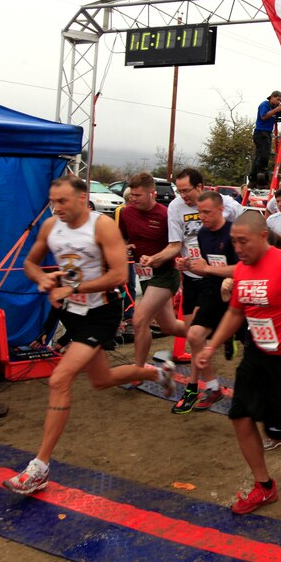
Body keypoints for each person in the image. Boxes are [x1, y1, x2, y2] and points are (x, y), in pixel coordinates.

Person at [3, 177, 174, 495]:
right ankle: (158, 370)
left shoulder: (102, 226)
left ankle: (39, 468)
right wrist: (42, 278)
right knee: (102, 379)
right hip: (72, 312)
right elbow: (29, 262)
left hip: (101, 313)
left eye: (63, 201)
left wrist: (74, 287)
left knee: (59, 379)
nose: (57, 207)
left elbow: (119, 275)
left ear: (82, 199)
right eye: (53, 201)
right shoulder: (50, 227)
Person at [193, 210, 281, 513]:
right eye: (234, 242)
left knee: (279, 432)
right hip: (256, 353)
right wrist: (212, 346)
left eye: (243, 241)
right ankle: (264, 487)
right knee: (240, 416)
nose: (239, 248)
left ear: (262, 236)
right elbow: (235, 312)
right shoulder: (242, 270)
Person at [171, 191, 238, 413]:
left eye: (207, 212)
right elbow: (206, 262)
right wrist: (189, 264)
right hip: (212, 289)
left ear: (221, 210)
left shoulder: (234, 233)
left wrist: (208, 269)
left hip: (237, 291)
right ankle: (211, 387)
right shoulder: (202, 234)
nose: (202, 216)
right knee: (194, 335)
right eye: (200, 212)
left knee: (256, 346)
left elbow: (243, 269)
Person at [118, 172, 188, 368]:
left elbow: (175, 245)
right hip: (144, 276)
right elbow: (122, 239)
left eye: (138, 195)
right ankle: (212, 333)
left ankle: (138, 371)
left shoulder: (165, 215)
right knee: (169, 326)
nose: (133, 199)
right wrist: (124, 248)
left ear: (152, 194)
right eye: (132, 195)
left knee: (140, 319)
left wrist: (156, 258)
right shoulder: (126, 213)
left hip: (165, 274)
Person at [168, 169, 244, 341]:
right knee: (192, 334)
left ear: (199, 187)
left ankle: (227, 336)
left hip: (221, 277)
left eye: (186, 190)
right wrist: (184, 263)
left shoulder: (226, 204)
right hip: (196, 273)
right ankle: (208, 355)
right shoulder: (178, 210)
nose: (182, 196)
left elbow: (248, 223)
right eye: (179, 191)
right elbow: (175, 244)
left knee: (204, 327)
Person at [249, 91, 281, 187]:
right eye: (278, 99)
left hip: (268, 133)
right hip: (260, 132)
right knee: (263, 155)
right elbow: (264, 116)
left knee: (260, 155)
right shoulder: (264, 105)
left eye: (280, 100)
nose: (278, 102)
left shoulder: (274, 108)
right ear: (272, 97)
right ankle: (261, 176)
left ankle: (253, 179)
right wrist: (276, 109)